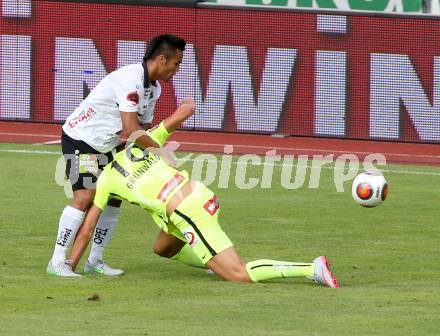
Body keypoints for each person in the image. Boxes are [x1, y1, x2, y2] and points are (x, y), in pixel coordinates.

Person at [65, 101, 340, 288]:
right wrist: (189, 102)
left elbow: (87, 229)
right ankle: (210, 258)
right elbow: (180, 114)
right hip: (197, 195)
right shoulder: (139, 145)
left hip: (189, 212)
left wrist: (69, 266)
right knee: (163, 247)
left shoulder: (106, 181)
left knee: (238, 275)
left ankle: (311, 269)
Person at [47, 34, 187, 276]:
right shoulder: (130, 81)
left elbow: (143, 129)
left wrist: (151, 153)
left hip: (107, 144)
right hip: (81, 138)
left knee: (114, 195)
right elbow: (132, 129)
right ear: (162, 59)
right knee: (84, 196)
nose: (177, 69)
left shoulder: (154, 89)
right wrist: (161, 151)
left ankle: (95, 261)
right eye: (177, 63)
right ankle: (57, 262)